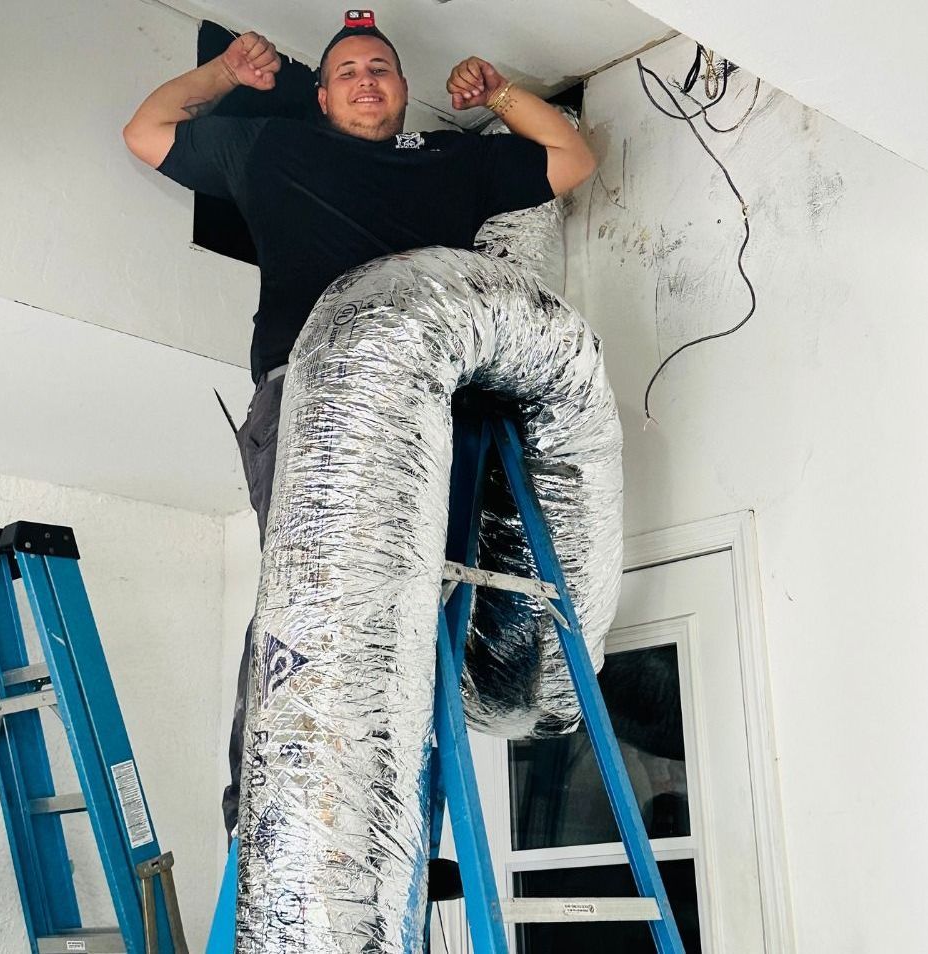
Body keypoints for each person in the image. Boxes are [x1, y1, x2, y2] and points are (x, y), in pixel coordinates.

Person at [123, 12, 598, 843]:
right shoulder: (274, 151)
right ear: (323, 93)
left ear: (404, 91)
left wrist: (500, 94)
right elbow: (148, 130)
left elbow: (572, 158)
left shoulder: (455, 161)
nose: (366, 79)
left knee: (423, 595)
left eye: (380, 67)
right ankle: (264, 817)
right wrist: (227, 72)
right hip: (307, 393)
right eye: (347, 71)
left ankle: (389, 828)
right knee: (306, 594)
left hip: (427, 406)